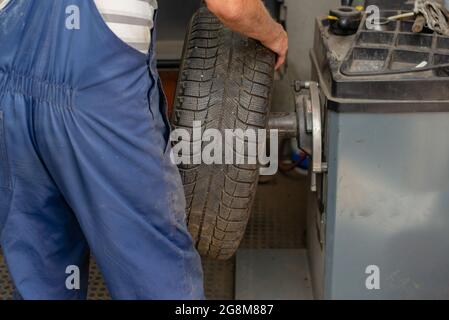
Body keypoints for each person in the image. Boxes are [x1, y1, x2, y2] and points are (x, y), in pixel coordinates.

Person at [0, 0, 288, 299]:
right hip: (100, 102)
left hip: (9, 102)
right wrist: (274, 34)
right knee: (155, 275)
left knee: (43, 274)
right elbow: (231, 6)